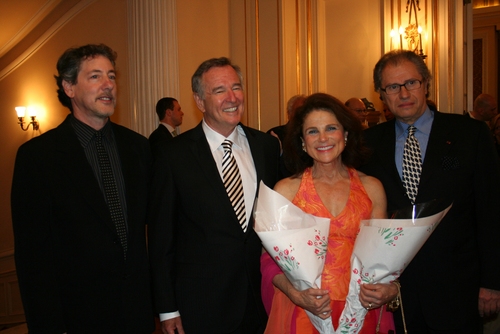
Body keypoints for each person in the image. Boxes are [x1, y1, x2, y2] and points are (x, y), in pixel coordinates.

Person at [11, 44, 154, 333]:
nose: (108, 85)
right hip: (76, 318)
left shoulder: (138, 147)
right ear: (69, 87)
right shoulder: (38, 156)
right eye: (95, 76)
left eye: (112, 76)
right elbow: (33, 257)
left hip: (136, 315)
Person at [359, 49, 500, 332]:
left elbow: (491, 209)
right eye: (393, 87)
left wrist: (493, 282)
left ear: (426, 84)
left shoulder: (469, 134)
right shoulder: (367, 145)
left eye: (411, 83)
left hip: (458, 288)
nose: (404, 93)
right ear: (381, 95)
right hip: (394, 293)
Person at [148, 57, 280, 334]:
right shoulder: (173, 155)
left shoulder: (266, 147)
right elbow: (162, 240)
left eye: (236, 87)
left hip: (262, 301)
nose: (232, 98)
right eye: (220, 90)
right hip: (202, 305)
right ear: (199, 101)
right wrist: (167, 309)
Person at [261, 93, 398, 333]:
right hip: (304, 310)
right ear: (302, 140)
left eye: (331, 128)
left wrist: (392, 288)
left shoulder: (372, 188)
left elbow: (386, 258)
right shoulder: (286, 190)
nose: (323, 138)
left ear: (345, 134)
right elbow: (268, 259)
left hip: (361, 309)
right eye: (312, 131)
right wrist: (296, 294)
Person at [267, 94, 306, 179]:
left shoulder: (313, 136)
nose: (303, 115)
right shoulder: (275, 134)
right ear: (289, 113)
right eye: (299, 111)